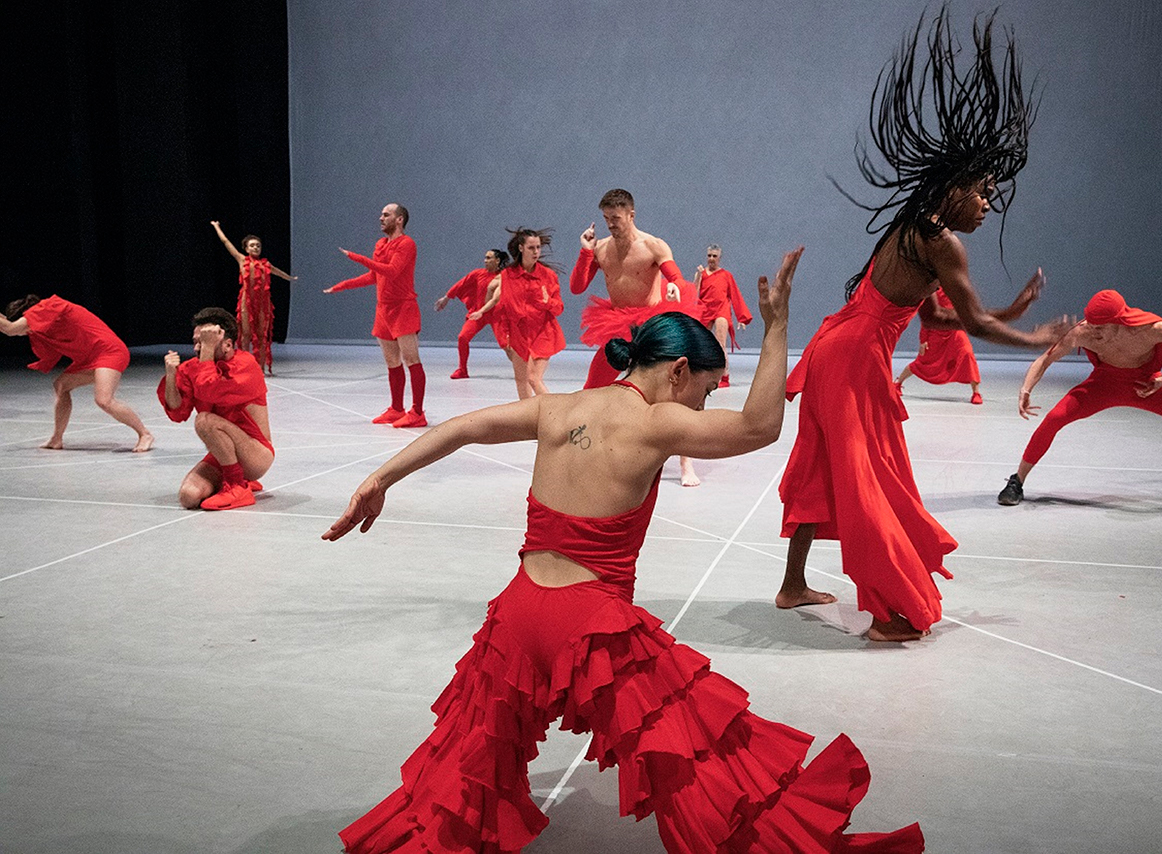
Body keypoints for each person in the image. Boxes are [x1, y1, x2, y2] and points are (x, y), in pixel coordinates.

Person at [322, 249, 924, 854]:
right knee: (701, 757)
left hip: (517, 614)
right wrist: (776, 327)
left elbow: (462, 427)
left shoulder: (560, 408)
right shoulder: (656, 422)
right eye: (707, 391)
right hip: (591, 627)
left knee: (462, 773)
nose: (702, 407)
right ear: (678, 372)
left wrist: (379, 480)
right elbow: (761, 426)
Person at [776, 10, 1071, 641]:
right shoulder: (941, 242)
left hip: (839, 345)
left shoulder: (912, 228)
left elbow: (930, 312)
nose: (988, 204)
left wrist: (1008, 312)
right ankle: (891, 612)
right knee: (867, 478)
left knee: (827, 466)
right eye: (983, 192)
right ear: (955, 189)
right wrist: (1035, 337)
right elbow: (971, 325)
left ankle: (793, 584)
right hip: (854, 358)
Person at [997, 288, 1162, 518]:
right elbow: (1045, 359)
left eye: (1100, 326)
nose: (1093, 331)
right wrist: (1025, 388)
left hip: (1146, 387)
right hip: (1102, 385)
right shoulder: (1083, 333)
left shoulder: (1148, 329)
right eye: (1090, 323)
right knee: (1054, 419)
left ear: (1119, 321)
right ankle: (1017, 481)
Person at [570, 188, 697, 390]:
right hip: (616, 324)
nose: (610, 224)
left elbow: (676, 277)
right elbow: (577, 287)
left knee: (661, 385)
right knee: (593, 386)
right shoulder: (600, 248)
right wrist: (585, 251)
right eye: (606, 218)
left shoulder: (653, 246)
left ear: (631, 215)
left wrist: (674, 285)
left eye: (616, 218)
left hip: (650, 325)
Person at [1, 294, 154, 452]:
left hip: (108, 351)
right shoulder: (41, 326)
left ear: (26, 316)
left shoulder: (47, 307)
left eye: (23, 327)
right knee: (61, 385)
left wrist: (8, 325)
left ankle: (145, 434)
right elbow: (11, 329)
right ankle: (57, 438)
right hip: (88, 358)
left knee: (104, 400)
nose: (24, 333)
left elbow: (10, 329)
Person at [159, 307, 273, 511]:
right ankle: (235, 476)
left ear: (228, 344)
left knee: (204, 420)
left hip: (256, 455)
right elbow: (177, 412)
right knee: (189, 496)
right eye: (197, 341)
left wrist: (207, 352)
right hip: (223, 452)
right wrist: (170, 375)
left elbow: (208, 390)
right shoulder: (196, 367)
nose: (198, 348)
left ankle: (237, 484)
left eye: (205, 341)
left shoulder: (245, 365)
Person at [324, 203, 427, 428]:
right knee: (392, 362)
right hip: (383, 309)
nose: (381, 218)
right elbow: (375, 276)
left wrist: (356, 257)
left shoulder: (407, 244)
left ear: (399, 219)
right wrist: (343, 286)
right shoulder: (381, 243)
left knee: (411, 360)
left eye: (386, 215)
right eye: (381, 214)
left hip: (403, 308)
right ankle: (396, 408)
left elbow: (391, 271)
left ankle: (418, 412)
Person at [894, 274, 1044, 404]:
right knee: (923, 362)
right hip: (937, 330)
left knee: (966, 354)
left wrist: (1011, 311)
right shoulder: (931, 288)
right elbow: (928, 317)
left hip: (955, 328)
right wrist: (923, 339)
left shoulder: (957, 287)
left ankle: (976, 392)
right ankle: (898, 383)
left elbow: (972, 311)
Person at [486, 228, 565, 399]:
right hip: (518, 334)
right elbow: (504, 308)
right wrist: (504, 335)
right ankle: (527, 423)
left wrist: (547, 302)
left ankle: (555, 415)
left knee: (533, 379)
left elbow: (559, 308)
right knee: (521, 380)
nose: (536, 252)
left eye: (538, 247)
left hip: (543, 333)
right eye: (531, 248)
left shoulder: (548, 276)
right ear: (521, 248)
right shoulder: (508, 275)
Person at [210, 220, 297, 375]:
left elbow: (278, 272)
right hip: (246, 303)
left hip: (263, 304)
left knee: (262, 336)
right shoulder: (242, 260)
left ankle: (260, 368)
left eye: (258, 245)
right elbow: (225, 242)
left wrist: (290, 278)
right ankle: (244, 367)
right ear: (246, 248)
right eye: (252, 245)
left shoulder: (266, 264)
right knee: (245, 336)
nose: (255, 247)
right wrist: (217, 227)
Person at [433, 248, 509, 379]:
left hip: (497, 315)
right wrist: (446, 298)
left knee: (506, 345)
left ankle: (524, 369)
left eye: (489, 258)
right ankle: (462, 370)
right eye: (485, 257)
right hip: (478, 314)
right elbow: (460, 284)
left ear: (497, 260)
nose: (485, 260)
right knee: (462, 337)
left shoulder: (503, 277)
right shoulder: (477, 274)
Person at [695, 243, 753, 388]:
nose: (711, 259)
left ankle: (724, 376)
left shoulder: (726, 276)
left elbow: (736, 296)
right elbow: (694, 294)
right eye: (709, 255)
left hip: (721, 310)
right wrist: (698, 278)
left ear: (719, 258)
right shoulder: (701, 274)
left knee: (721, 344)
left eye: (714, 256)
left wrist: (742, 318)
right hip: (705, 310)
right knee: (701, 343)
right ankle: (702, 373)